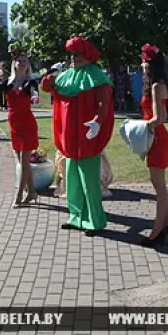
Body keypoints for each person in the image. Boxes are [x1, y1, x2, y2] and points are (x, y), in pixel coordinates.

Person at [40, 36, 114, 237]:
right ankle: (76, 217)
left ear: (88, 56)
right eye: (72, 54)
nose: (74, 58)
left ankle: (94, 221)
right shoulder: (68, 75)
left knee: (89, 181)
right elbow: (53, 89)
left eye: (78, 54)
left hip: (88, 137)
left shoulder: (96, 76)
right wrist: (47, 83)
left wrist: (98, 122)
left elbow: (104, 103)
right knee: (71, 179)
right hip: (70, 138)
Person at [139, 44, 168, 247]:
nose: (143, 67)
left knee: (159, 187)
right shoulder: (160, 85)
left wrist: (140, 127)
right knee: (160, 186)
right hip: (157, 136)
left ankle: (158, 231)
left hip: (156, 137)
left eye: (145, 64)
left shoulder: (155, 86)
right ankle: (165, 225)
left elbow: (159, 118)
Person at [2, 50, 40, 207]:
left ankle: (18, 196)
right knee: (22, 162)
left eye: (25, 61)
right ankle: (32, 192)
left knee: (24, 163)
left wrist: (35, 97)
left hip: (27, 124)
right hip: (14, 125)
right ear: (15, 65)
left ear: (28, 66)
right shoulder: (8, 83)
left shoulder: (30, 83)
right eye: (20, 61)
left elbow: (34, 92)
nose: (23, 63)